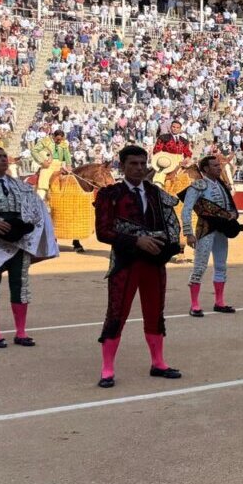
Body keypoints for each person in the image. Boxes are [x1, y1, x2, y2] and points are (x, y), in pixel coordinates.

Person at [94, 145, 184, 389]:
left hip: (154, 262)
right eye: (133, 164)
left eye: (143, 164)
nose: (139, 168)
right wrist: (137, 240)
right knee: (117, 312)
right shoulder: (109, 194)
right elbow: (103, 232)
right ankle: (108, 368)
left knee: (155, 311)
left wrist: (170, 244)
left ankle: (158, 362)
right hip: (126, 262)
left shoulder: (155, 193)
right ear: (122, 166)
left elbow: (168, 226)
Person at [0, 146, 57, 348]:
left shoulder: (19, 185)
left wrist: (26, 225)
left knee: (20, 286)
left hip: (17, 242)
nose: (3, 160)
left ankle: (21, 332)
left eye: (4, 156)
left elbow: (36, 207)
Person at [182, 155, 240, 317]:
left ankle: (219, 302)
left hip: (222, 229)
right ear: (206, 169)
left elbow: (230, 207)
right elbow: (186, 209)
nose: (218, 168)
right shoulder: (198, 185)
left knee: (221, 266)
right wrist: (188, 233)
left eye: (218, 165)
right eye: (214, 165)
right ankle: (194, 305)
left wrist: (233, 215)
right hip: (205, 229)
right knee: (200, 267)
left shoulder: (222, 186)